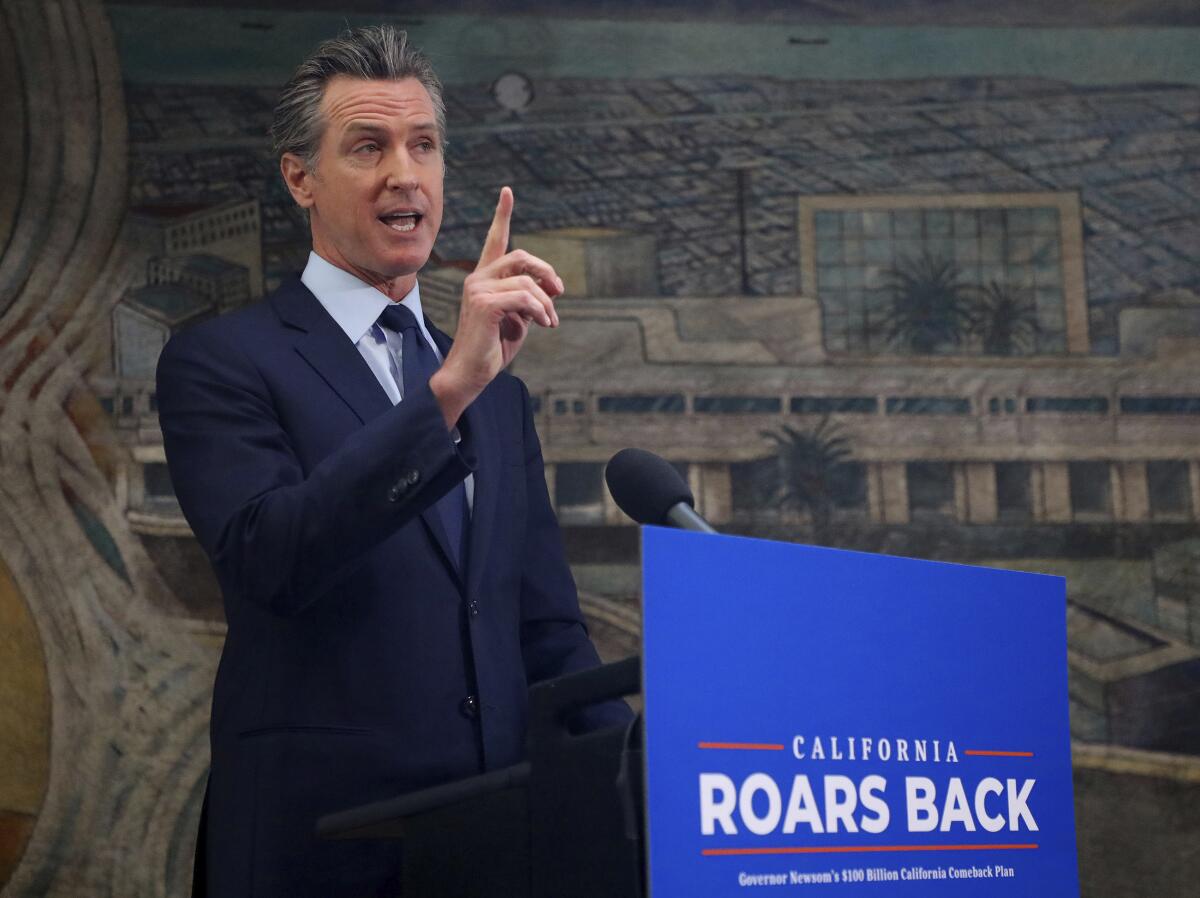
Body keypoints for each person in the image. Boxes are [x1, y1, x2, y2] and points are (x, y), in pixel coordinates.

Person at [156, 25, 629, 898]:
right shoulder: (222, 361)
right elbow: (273, 555)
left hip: (495, 838)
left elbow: (545, 628)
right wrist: (447, 392)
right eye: (367, 147)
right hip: (319, 846)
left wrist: (634, 784)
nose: (403, 174)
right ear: (300, 177)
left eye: (423, 146)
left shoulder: (496, 388)